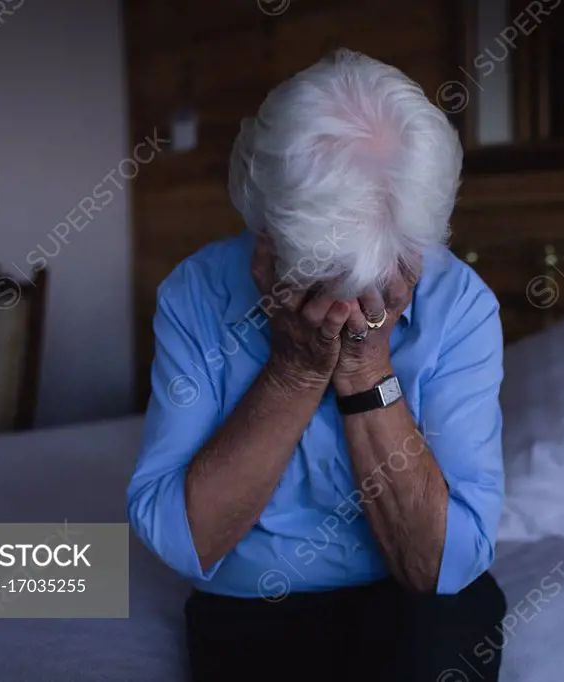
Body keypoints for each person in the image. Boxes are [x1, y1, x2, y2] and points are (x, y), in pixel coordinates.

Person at [127, 49, 507, 682]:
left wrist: (365, 370)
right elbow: (182, 542)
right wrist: (294, 372)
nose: (350, 308)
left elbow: (443, 564)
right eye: (321, 282)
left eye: (378, 282)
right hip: (252, 603)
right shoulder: (196, 294)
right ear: (266, 227)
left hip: (418, 602)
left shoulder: (460, 303)